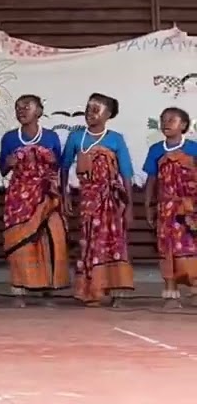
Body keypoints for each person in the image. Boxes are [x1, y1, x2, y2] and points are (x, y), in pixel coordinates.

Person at [62, 92, 134, 306]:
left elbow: (126, 173)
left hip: (112, 201)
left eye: (96, 110)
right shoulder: (76, 137)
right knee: (89, 243)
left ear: (108, 114)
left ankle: (116, 292)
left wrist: (128, 206)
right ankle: (91, 291)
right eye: (88, 109)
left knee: (114, 244)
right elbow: (64, 168)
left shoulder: (115, 138)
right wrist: (65, 193)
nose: (90, 114)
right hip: (87, 200)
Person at [0, 94, 69, 307]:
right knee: (20, 242)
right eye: (18, 107)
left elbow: (59, 167)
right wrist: (10, 161)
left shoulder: (51, 137)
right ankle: (19, 291)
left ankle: (48, 291)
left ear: (39, 112)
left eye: (26, 107)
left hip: (46, 196)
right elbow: (2, 169)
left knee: (49, 240)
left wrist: (61, 195)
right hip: (19, 197)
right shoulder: (10, 138)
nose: (21, 110)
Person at [143, 106, 197, 310]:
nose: (166, 123)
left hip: (190, 210)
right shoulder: (156, 150)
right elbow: (151, 180)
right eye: (163, 119)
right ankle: (171, 295)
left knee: (192, 249)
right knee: (167, 250)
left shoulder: (194, 148)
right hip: (166, 210)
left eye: (172, 120)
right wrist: (148, 206)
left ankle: (194, 290)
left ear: (183, 125)